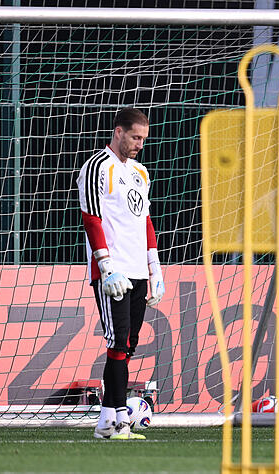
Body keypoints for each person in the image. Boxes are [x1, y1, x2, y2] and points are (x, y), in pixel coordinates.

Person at [76, 107, 165, 440]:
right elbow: (92, 219)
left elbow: (145, 222)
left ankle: (109, 421)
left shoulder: (140, 172)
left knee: (128, 345)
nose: (139, 144)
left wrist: (155, 270)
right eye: (134, 137)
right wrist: (106, 266)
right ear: (118, 132)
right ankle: (113, 422)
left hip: (138, 270)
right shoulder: (97, 167)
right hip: (112, 272)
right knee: (118, 343)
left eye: (143, 138)